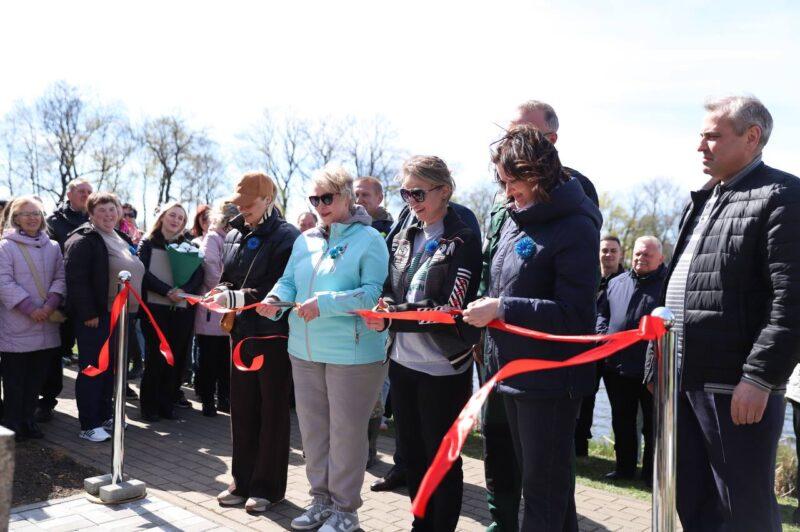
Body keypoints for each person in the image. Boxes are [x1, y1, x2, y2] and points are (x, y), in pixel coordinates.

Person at [643, 96, 800, 531]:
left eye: (713, 136)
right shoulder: (704, 198)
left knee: (744, 512)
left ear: (752, 137)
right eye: (701, 136)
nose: (701, 146)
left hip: (736, 390)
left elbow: (792, 301)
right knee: (694, 505)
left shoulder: (783, 196)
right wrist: (658, 363)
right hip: (681, 382)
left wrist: (760, 378)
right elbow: (673, 291)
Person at [464, 124, 601, 531]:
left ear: (538, 173)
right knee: (545, 494)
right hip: (508, 373)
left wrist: (503, 308)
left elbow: (575, 314)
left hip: (550, 382)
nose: (508, 192)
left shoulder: (577, 226)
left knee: (544, 495)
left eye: (514, 182)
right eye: (502, 183)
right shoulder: (513, 219)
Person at [257, 165, 389, 532]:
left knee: (346, 435)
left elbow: (373, 294)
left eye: (327, 198)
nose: (320, 205)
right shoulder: (305, 240)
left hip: (353, 354)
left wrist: (325, 303)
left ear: (346, 197)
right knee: (314, 433)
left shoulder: (370, 239)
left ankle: (346, 511)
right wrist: (275, 299)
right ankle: (320, 501)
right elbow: (288, 281)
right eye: (314, 199)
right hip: (304, 350)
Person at [363, 156, 482, 531]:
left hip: (443, 367)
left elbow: (449, 308)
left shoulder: (464, 236)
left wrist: (393, 315)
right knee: (412, 456)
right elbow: (389, 282)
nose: (411, 201)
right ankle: (420, 524)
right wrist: (385, 305)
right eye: (405, 193)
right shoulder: (404, 229)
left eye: (418, 193)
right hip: (403, 362)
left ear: (444, 191)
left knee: (441, 458)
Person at [213, 172, 299, 513]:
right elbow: (228, 277)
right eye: (239, 203)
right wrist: (221, 291)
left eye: (249, 203)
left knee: (272, 412)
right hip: (240, 332)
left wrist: (235, 297)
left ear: (269, 199)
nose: (243, 209)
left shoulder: (288, 236)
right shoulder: (234, 233)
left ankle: (268, 488)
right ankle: (242, 481)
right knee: (242, 409)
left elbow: (282, 287)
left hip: (273, 336)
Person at [64, 192, 144, 442]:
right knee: (94, 368)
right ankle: (89, 424)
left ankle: (106, 414)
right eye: (102, 210)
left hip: (123, 316)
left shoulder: (121, 237)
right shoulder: (83, 239)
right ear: (91, 213)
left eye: (112, 209)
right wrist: (88, 313)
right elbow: (76, 280)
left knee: (111, 369)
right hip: (98, 317)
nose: (108, 214)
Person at [596, 236, 665, 482]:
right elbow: (602, 313)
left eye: (647, 255)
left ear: (660, 258)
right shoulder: (616, 283)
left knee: (653, 425)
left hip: (653, 369)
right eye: (637, 254)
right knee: (622, 420)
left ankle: (651, 474)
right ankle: (624, 469)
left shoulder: (667, 285)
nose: (640, 258)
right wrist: (602, 333)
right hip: (618, 366)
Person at [0, 196, 66, 441]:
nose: (32, 218)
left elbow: (61, 278)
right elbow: (4, 282)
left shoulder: (53, 246)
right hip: (16, 324)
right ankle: (11, 424)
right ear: (16, 218)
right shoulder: (5, 247)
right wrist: (30, 308)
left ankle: (29, 421)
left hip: (45, 325)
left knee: (36, 380)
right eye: (26, 213)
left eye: (36, 213)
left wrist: (49, 305)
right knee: (15, 381)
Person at [137, 201, 203, 422]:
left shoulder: (189, 246)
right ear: (163, 216)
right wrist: (167, 291)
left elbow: (198, 275)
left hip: (181, 311)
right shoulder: (148, 243)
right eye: (173, 215)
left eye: (181, 218)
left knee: (174, 359)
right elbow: (142, 273)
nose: (176, 220)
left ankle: (167, 404)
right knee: (155, 358)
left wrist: (183, 292)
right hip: (154, 309)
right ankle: (149, 407)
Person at [37, 178, 93, 422]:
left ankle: (93, 405)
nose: (86, 195)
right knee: (54, 351)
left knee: (86, 352)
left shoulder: (96, 220)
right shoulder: (53, 222)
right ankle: (46, 401)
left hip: (87, 301)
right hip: (59, 300)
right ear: (69, 194)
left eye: (90, 192)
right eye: (81, 191)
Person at [574, 234, 627, 457]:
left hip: (616, 353)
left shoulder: (627, 282)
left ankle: (623, 459)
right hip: (589, 349)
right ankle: (580, 448)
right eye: (604, 250)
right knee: (584, 399)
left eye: (613, 251)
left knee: (621, 407)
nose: (608, 255)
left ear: (621, 255)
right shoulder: (589, 278)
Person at [194, 202, 238, 417]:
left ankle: (224, 399)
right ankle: (207, 400)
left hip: (229, 308)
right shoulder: (213, 238)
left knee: (224, 359)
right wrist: (231, 288)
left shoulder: (234, 239)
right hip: (213, 309)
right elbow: (212, 270)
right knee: (209, 360)